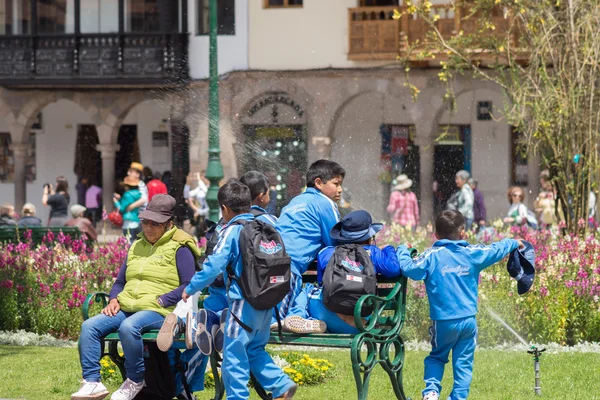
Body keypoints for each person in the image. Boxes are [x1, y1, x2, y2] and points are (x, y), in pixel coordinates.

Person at [71, 194, 200, 400]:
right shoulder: (136, 245)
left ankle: (135, 380)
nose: (148, 227)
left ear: (168, 224)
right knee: (90, 327)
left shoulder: (180, 247)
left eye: (155, 223)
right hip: (126, 306)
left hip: (157, 310)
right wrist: (114, 299)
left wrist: (164, 300)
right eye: (145, 222)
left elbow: (189, 284)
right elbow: (121, 281)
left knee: (129, 327)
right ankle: (92, 382)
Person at [182, 180, 297, 400]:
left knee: (233, 355)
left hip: (243, 304)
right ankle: (281, 385)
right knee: (254, 350)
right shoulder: (264, 225)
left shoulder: (232, 230)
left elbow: (214, 264)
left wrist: (192, 286)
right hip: (267, 302)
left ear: (224, 208)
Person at [398, 210, 524, 400]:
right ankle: (458, 397)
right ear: (463, 233)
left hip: (443, 322)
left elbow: (409, 269)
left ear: (436, 235)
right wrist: (513, 242)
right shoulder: (472, 254)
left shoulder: (432, 256)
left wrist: (402, 250)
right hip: (468, 322)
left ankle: (431, 393)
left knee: (437, 357)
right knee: (464, 362)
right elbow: (495, 249)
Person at [304, 210, 405, 334]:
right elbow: (394, 269)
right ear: (368, 237)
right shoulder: (373, 253)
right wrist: (388, 248)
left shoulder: (327, 252)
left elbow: (321, 282)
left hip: (324, 315)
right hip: (358, 322)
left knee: (308, 289)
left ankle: (299, 317)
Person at [275, 159, 345, 333]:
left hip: (269, 264)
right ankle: (307, 321)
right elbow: (335, 242)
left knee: (267, 322)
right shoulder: (325, 203)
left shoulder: (294, 202)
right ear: (319, 183)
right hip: (289, 270)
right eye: (336, 184)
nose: (340, 189)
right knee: (278, 324)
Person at [113, 176, 142, 243]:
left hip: (128, 222)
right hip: (136, 220)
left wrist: (116, 202)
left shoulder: (127, 194)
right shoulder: (138, 194)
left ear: (127, 186)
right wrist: (120, 199)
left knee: (128, 243)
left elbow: (122, 209)